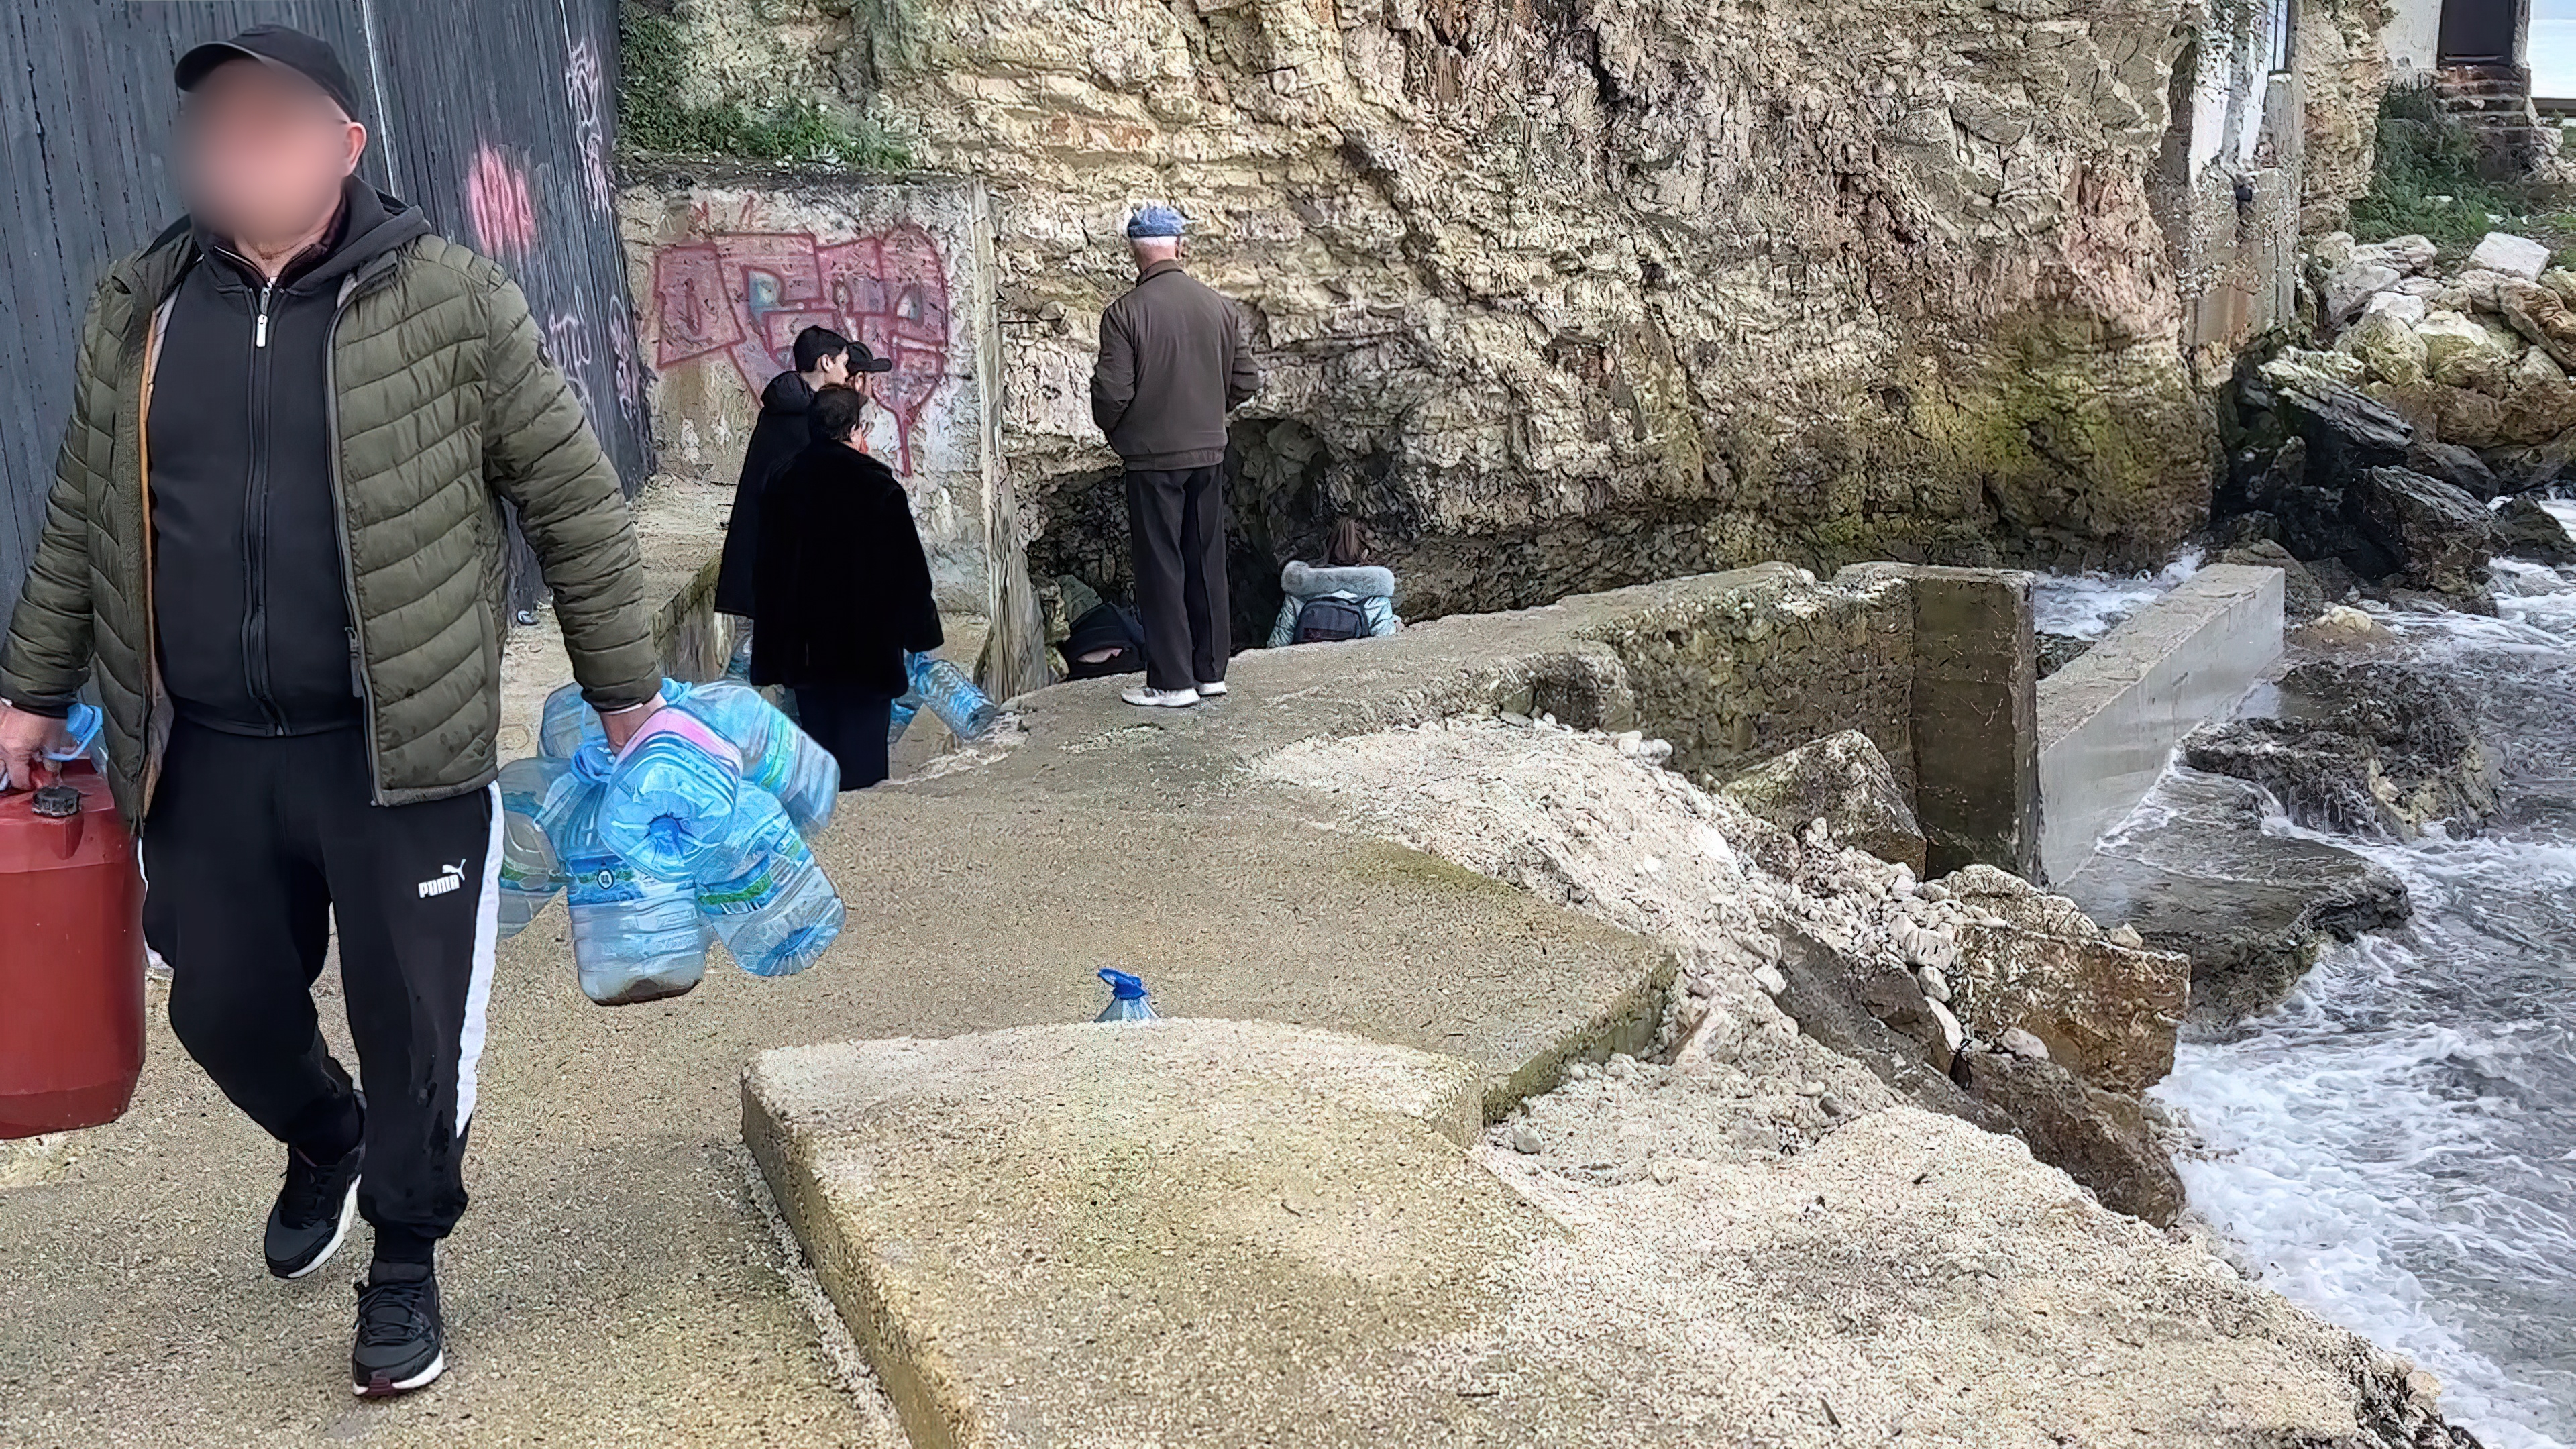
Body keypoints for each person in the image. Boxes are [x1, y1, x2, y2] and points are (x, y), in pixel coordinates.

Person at [0, 26, 663, 1399]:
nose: (237, 152)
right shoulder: (140, 305)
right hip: (202, 751)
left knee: (414, 1025)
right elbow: (80, 514)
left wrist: (624, 693)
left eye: (269, 124)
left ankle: (407, 1260)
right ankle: (324, 1135)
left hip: (392, 748)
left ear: (342, 147)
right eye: (218, 127)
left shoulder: (452, 302)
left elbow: (575, 502)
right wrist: (29, 695)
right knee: (219, 1009)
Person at [1089, 203, 1260, 709]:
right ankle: (1211, 672)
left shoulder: (1124, 313)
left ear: (1133, 253)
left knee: (1161, 563)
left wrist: (1122, 429)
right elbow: (1246, 380)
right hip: (1209, 451)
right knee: (1206, 559)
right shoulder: (1221, 308)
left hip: (1151, 459)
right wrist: (1210, 408)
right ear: (1180, 247)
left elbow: (1113, 393)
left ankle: (1172, 681)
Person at [749, 384, 943, 790]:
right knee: (866, 766)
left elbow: (766, 572)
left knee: (819, 761)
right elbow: (908, 573)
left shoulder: (784, 480)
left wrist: (770, 653)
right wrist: (920, 636)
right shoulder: (877, 488)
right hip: (866, 654)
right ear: (855, 431)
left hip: (806, 654)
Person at [712, 327, 893, 664]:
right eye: (843, 363)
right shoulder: (800, 419)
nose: (847, 371)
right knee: (749, 663)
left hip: (771, 566)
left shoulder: (793, 409)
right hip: (767, 568)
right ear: (825, 362)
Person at [1267, 519, 1405, 647]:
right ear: (1363, 552)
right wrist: (1394, 623)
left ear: (1327, 548)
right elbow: (1385, 637)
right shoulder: (1376, 597)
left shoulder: (1300, 592)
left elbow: (1279, 642)